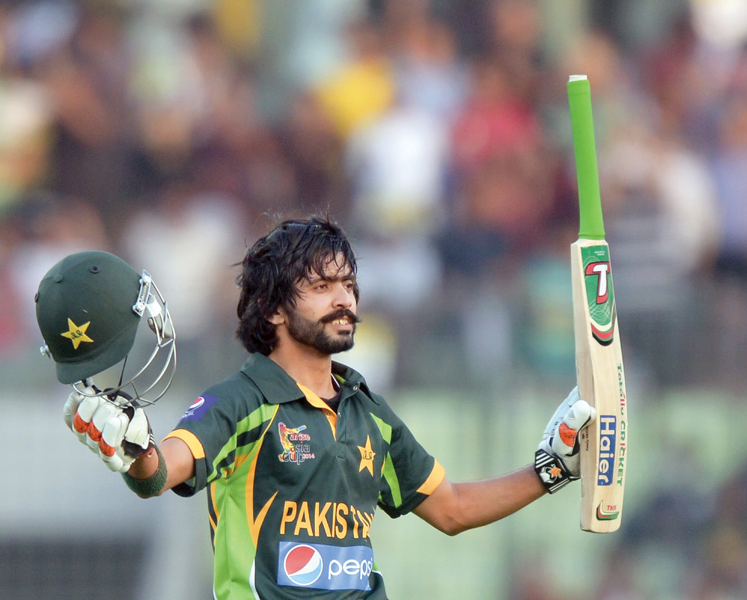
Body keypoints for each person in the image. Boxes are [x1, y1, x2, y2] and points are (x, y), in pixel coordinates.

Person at [36, 216, 594, 599]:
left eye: (348, 283)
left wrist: (553, 469)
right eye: (323, 286)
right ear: (274, 309)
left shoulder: (368, 414)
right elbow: (163, 469)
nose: (345, 298)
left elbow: (450, 510)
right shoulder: (242, 400)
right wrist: (134, 452)